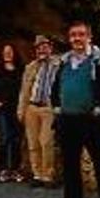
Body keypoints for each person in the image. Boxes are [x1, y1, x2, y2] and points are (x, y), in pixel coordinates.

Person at [50, 21, 100, 198]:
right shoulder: (64, 62)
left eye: (81, 34)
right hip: (68, 120)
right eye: (73, 35)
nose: (77, 38)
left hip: (92, 122)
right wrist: (57, 107)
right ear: (69, 38)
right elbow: (56, 87)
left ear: (89, 37)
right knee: (70, 166)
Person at [17, 35, 61, 188]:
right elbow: (24, 90)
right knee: (33, 143)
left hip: (48, 108)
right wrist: (21, 109)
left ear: (50, 47)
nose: (42, 49)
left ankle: (48, 176)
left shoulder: (59, 64)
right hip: (32, 107)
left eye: (45, 46)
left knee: (46, 142)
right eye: (39, 47)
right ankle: (37, 175)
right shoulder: (30, 67)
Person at [0, 44, 25, 183]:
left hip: (17, 109)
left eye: (10, 51)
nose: (8, 54)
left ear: (14, 53)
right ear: (2, 54)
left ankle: (15, 170)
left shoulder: (21, 70)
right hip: (2, 109)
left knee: (16, 139)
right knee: (5, 139)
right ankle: (4, 170)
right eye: (5, 52)